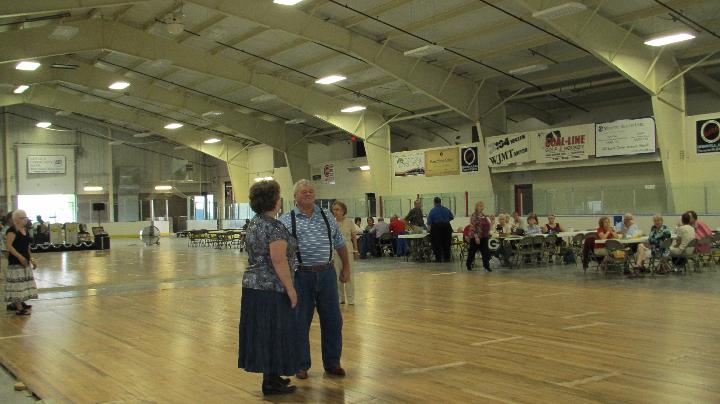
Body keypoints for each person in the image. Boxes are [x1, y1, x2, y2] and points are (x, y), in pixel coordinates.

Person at [279, 180, 349, 380]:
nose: (308, 193)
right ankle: (301, 365)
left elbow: (339, 243)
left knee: (333, 321)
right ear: (295, 197)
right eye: (303, 191)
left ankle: (333, 362)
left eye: (311, 191)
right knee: (300, 322)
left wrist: (346, 267)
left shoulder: (327, 216)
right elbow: (280, 253)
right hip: (301, 276)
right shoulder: (286, 220)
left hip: (327, 274)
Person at [238, 180, 300, 395]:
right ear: (274, 200)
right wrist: (291, 289)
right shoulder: (273, 226)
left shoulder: (255, 223)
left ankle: (272, 375)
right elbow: (279, 260)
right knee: (275, 332)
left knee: (265, 333)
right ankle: (270, 382)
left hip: (254, 288)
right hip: (271, 289)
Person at [5, 210, 38, 316]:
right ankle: (19, 308)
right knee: (17, 286)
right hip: (15, 262)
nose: (26, 219)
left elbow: (27, 246)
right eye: (24, 218)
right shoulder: (12, 231)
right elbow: (9, 246)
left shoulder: (25, 230)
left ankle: (20, 303)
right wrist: (20, 257)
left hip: (25, 261)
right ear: (17, 219)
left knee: (23, 285)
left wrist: (31, 259)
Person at [332, 201, 358, 305]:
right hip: (335, 251)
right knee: (337, 275)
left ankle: (351, 299)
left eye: (337, 209)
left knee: (349, 275)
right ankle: (340, 298)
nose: (335, 212)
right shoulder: (331, 222)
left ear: (343, 210)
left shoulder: (350, 222)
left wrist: (356, 250)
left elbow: (354, 237)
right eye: (334, 209)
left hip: (348, 250)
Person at [466, 201, 492, 272]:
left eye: (482, 206)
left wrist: (489, 230)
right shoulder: (474, 215)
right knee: (472, 251)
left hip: (484, 236)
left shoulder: (484, 215)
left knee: (485, 252)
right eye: (479, 206)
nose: (481, 207)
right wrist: (476, 237)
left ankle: (486, 266)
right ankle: (468, 264)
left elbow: (488, 224)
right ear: (476, 207)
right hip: (475, 237)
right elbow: (472, 227)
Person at [427, 197, 454, 262]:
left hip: (437, 228)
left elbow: (429, 223)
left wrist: (430, 231)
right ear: (440, 202)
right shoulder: (446, 209)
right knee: (447, 243)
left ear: (434, 202)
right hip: (447, 227)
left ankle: (438, 259)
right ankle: (447, 258)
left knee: (437, 244)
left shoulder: (432, 211)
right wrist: (445, 221)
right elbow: (451, 217)